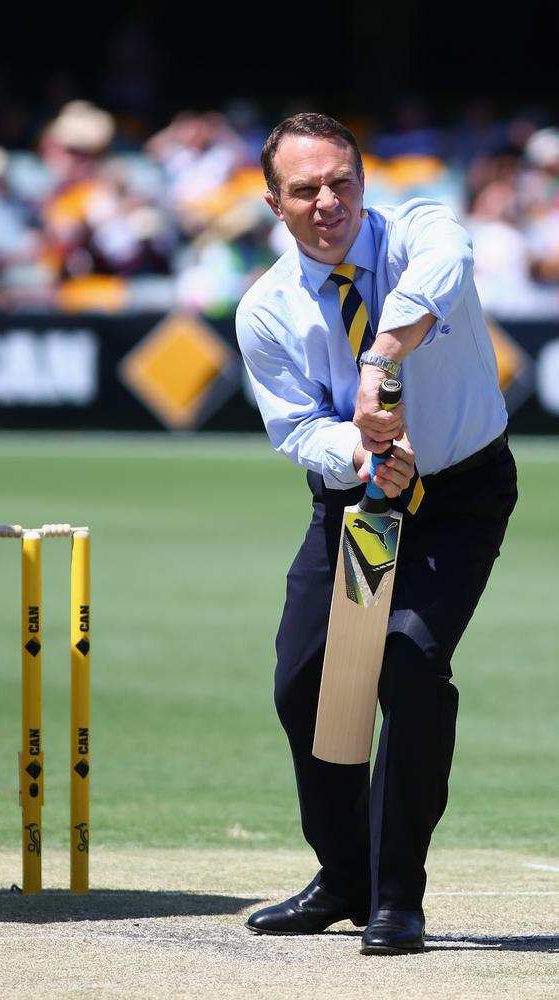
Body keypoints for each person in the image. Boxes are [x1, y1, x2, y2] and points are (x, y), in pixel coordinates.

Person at [235, 113, 517, 956]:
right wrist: (365, 452)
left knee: (410, 664)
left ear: (363, 180)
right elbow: (296, 430)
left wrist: (381, 354)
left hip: (460, 493)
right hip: (358, 505)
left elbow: (449, 260)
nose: (329, 201)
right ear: (273, 203)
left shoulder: (422, 228)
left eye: (341, 182)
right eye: (305, 189)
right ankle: (345, 876)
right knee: (306, 680)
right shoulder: (265, 308)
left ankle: (398, 895)